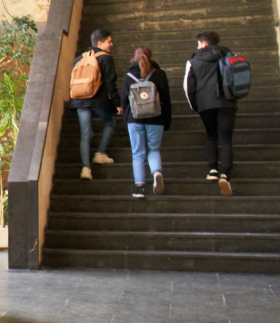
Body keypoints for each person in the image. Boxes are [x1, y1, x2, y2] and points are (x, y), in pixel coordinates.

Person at [184, 30, 237, 196]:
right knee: (226, 139)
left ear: (204, 43)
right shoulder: (229, 56)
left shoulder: (193, 61)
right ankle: (225, 174)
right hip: (227, 102)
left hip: (206, 104)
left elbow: (188, 87)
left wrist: (196, 106)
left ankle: (213, 169)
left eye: (198, 43)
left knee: (211, 136)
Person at [121, 46, 173, 198]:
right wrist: (166, 121)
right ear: (151, 58)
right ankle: (156, 172)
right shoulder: (160, 74)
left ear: (134, 58)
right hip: (156, 119)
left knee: (138, 153)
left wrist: (127, 119)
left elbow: (124, 101)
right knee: (153, 149)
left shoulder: (129, 76)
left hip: (134, 119)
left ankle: (140, 188)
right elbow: (166, 100)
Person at [71, 28, 119, 180]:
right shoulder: (106, 58)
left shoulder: (79, 59)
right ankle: (100, 153)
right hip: (99, 100)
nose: (112, 44)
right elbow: (110, 83)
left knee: (85, 133)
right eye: (109, 41)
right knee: (110, 122)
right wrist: (117, 104)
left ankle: (86, 169)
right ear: (100, 43)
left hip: (80, 100)